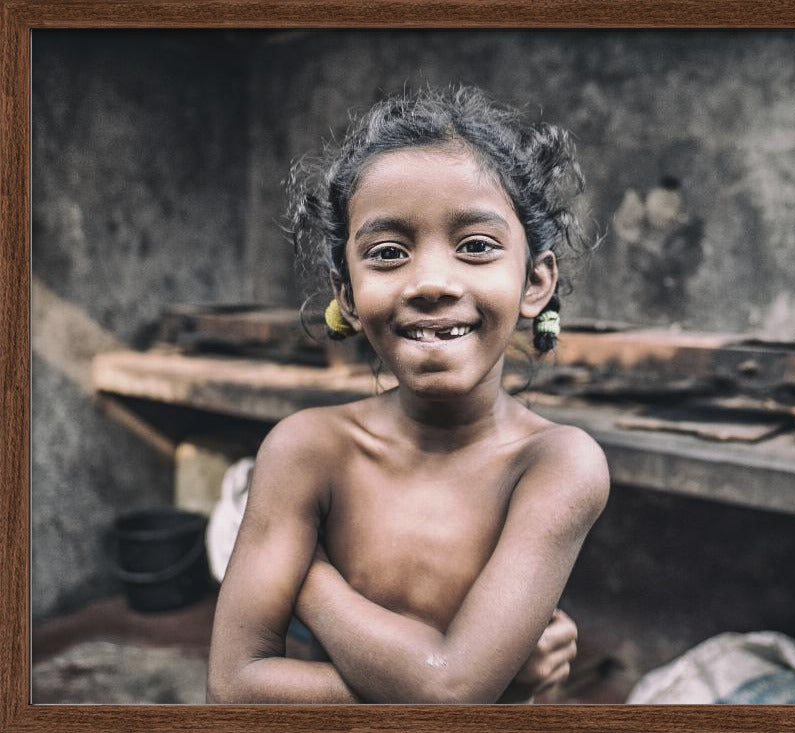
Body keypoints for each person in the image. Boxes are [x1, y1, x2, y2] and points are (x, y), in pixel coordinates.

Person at [206, 86, 609, 704]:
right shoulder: (308, 449)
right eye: (388, 253)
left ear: (535, 282)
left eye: (476, 246)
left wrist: (309, 579)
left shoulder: (557, 464)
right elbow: (234, 689)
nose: (430, 283)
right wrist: (491, 686)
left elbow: (449, 693)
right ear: (346, 293)